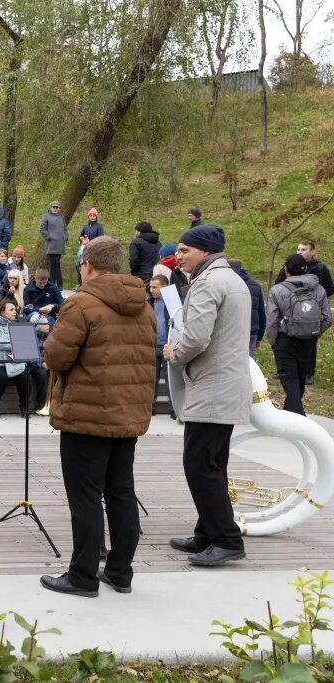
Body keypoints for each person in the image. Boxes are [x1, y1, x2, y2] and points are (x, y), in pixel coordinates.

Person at [39, 235, 156, 597]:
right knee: (121, 492)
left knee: (85, 496)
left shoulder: (82, 304)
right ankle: (120, 571)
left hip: (86, 415)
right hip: (127, 413)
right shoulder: (144, 305)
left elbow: (56, 358)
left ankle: (83, 576)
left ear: (87, 265)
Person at [163, 224, 250, 567]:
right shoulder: (231, 279)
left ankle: (226, 539)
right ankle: (207, 532)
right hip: (224, 384)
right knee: (213, 463)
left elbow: (196, 338)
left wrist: (174, 353)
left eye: (185, 251)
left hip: (213, 387)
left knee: (200, 465)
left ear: (205, 251)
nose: (179, 257)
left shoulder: (208, 282)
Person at [265, 253, 331, 415]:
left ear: (286, 269)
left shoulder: (277, 290)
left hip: (285, 340)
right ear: (305, 269)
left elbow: (272, 320)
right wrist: (314, 332)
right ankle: (290, 416)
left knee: (290, 380)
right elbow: (328, 318)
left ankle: (298, 418)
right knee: (300, 380)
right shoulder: (319, 289)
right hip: (308, 341)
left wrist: (273, 341)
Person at [275, 240, 334, 385]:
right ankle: (285, 368)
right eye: (298, 249)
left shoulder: (320, 268)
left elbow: (330, 288)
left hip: (311, 311)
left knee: (310, 340)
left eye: (303, 249)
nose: (299, 252)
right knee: (287, 337)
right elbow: (278, 284)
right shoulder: (290, 265)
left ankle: (309, 372)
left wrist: (316, 299)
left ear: (313, 251)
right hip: (292, 310)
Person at [0, 300, 28, 418]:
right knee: (1, 377)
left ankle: (24, 406)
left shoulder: (17, 324)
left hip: (13, 360)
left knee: (25, 376)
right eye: (11, 310)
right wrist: (15, 343)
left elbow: (24, 342)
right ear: (2, 312)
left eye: (15, 310)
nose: (15, 312)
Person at [228, 258, 265, 356]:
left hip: (230, 331)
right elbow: (261, 313)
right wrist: (259, 336)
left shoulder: (225, 284)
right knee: (249, 363)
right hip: (251, 330)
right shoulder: (255, 285)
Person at [149, 275, 171, 411]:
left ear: (164, 288)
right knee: (152, 379)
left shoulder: (173, 302)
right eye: (150, 287)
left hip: (168, 346)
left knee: (170, 379)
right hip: (152, 345)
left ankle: (173, 408)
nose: (151, 290)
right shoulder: (148, 303)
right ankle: (150, 407)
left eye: (155, 287)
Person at [40, 200, 68, 288]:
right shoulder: (46, 216)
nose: (55, 209)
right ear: (50, 208)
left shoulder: (61, 217)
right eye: (54, 207)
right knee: (55, 264)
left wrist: (65, 237)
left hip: (60, 245)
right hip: (51, 245)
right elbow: (42, 229)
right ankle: (58, 283)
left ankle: (53, 283)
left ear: (59, 209)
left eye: (57, 207)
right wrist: (49, 237)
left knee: (55, 265)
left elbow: (65, 229)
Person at [129, 221, 160, 286]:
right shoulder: (159, 243)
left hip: (141, 275)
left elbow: (133, 260)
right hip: (157, 273)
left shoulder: (135, 243)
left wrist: (134, 273)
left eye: (136, 231)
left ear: (139, 232)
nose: (135, 233)